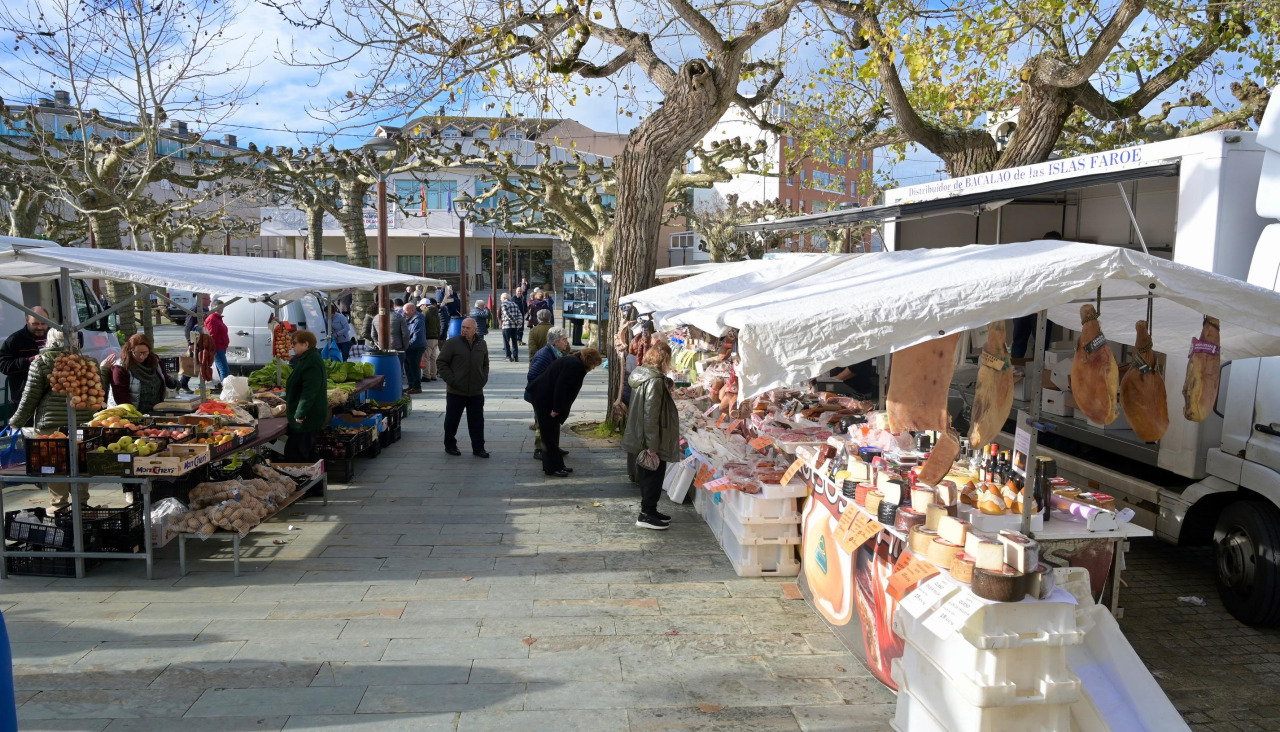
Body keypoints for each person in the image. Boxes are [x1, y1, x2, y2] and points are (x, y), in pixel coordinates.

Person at [8, 329, 96, 509]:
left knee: (55, 464)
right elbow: (97, 390)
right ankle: (81, 504)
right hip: (81, 423)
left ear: (49, 341)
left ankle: (59, 506)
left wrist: (16, 421)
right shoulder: (87, 362)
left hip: (51, 424)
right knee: (80, 463)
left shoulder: (42, 362)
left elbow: (30, 397)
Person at [622, 341, 680, 530]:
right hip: (650, 438)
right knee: (653, 476)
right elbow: (650, 414)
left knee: (649, 476)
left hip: (641, 435)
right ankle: (646, 514)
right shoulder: (654, 381)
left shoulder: (643, 374)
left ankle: (651, 510)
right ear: (664, 359)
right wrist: (653, 445)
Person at [529, 348, 602, 477]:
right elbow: (560, 387)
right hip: (545, 400)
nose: (593, 368)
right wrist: (556, 409)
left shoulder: (575, 362)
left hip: (546, 398)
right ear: (589, 360)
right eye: (594, 365)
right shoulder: (574, 365)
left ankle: (558, 464)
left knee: (553, 434)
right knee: (549, 436)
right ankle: (551, 468)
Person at [437, 317, 489, 457]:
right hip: (456, 391)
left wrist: (483, 379)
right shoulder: (452, 343)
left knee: (477, 421)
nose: (464, 330)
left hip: (476, 391)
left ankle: (479, 448)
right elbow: (441, 363)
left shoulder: (481, 344)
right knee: (452, 421)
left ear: (475, 330)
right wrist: (451, 380)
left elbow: (485, 364)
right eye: (463, 327)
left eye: (467, 328)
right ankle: (450, 445)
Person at [100, 334, 177, 413]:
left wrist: (171, 381)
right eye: (137, 353)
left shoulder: (155, 361)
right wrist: (134, 415)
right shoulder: (120, 368)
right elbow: (120, 396)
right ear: (130, 350)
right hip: (127, 414)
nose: (141, 357)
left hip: (154, 411)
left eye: (145, 353)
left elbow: (163, 376)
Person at [525, 326, 570, 462]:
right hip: (540, 397)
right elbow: (532, 376)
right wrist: (545, 391)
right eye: (564, 339)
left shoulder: (555, 352)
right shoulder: (545, 355)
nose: (566, 342)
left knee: (553, 423)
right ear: (555, 342)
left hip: (547, 396)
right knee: (542, 423)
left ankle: (553, 447)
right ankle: (539, 450)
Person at [284, 330, 327, 462]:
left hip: (307, 418)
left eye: (295, 343)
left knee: (298, 453)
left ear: (306, 344)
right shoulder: (307, 359)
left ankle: (308, 480)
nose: (292, 346)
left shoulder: (312, 361)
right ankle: (316, 480)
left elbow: (309, 391)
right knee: (308, 452)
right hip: (308, 417)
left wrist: (300, 413)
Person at [0, 306, 51, 400]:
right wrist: (30, 360)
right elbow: (3, 365)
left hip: (52, 394)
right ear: (27, 320)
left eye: (43, 323)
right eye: (35, 324)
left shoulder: (57, 336)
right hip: (26, 396)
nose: (40, 327)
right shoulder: (14, 340)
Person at [402, 301, 427, 394]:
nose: (404, 313)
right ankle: (411, 385)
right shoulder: (408, 318)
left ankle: (416, 387)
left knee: (414, 367)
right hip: (410, 346)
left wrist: (406, 345)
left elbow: (417, 338)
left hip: (416, 347)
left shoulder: (418, 320)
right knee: (408, 366)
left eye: (406, 311)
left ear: (412, 310)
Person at [204, 300, 230, 386]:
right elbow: (212, 336)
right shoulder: (212, 319)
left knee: (224, 369)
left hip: (221, 348)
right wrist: (213, 350)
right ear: (213, 307)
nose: (220, 309)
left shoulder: (218, 318)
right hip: (217, 348)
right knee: (224, 370)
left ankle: (224, 387)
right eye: (218, 307)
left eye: (222, 307)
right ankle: (224, 388)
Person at [421, 298, 441, 382]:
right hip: (435, 337)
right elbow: (439, 326)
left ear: (425, 305)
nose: (421, 307)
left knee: (426, 357)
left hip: (428, 337)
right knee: (433, 357)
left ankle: (426, 375)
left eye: (421, 305)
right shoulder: (436, 313)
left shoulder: (425, 313)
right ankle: (433, 375)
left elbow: (423, 326)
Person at [499, 292, 523, 362]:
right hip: (514, 326)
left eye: (501, 299)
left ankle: (508, 356)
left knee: (506, 341)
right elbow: (519, 314)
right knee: (514, 341)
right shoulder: (515, 304)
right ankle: (516, 356)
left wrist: (514, 320)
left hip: (506, 325)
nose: (501, 300)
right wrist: (519, 322)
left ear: (503, 298)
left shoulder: (504, 304)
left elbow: (507, 313)